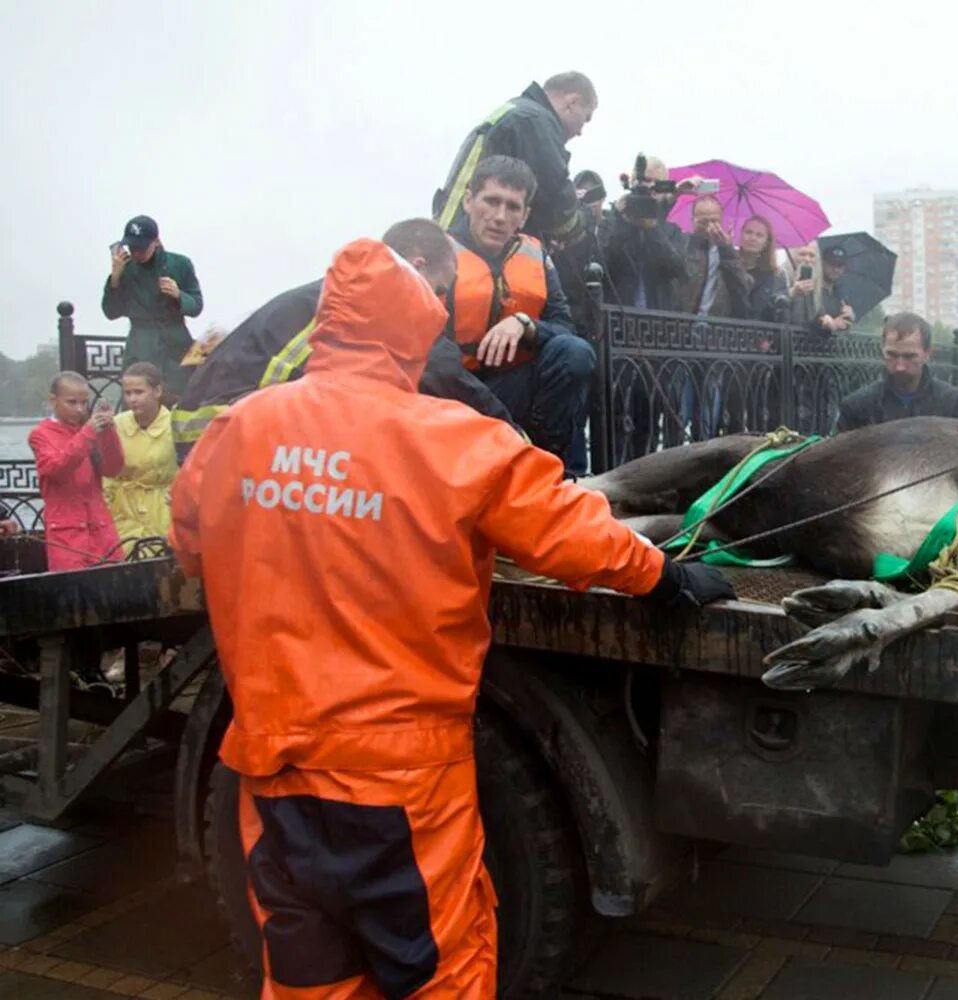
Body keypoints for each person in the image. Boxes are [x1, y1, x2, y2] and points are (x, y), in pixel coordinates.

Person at [169, 236, 732, 998]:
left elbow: (192, 543)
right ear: (413, 333)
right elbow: (572, 535)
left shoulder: (238, 430)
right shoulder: (453, 442)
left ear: (328, 325)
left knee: (310, 978)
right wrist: (664, 575)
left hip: (273, 769)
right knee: (442, 971)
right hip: (398, 782)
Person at [171, 219, 510, 459]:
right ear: (416, 267)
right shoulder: (368, 310)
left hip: (213, 444)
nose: (439, 307)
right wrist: (517, 444)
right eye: (438, 291)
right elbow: (451, 380)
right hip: (223, 446)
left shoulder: (330, 297)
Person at [450, 156, 595, 475]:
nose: (500, 217)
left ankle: (545, 468)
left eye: (513, 207)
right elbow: (428, 355)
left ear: (525, 214)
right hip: (454, 396)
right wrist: (497, 416)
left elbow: (565, 328)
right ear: (469, 200)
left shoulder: (535, 254)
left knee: (575, 353)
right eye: (491, 201)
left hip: (513, 386)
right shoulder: (440, 255)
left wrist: (525, 325)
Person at [433, 72, 597, 247]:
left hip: (457, 237)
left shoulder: (517, 111)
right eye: (585, 119)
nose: (580, 132)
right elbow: (555, 205)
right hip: (470, 248)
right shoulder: (534, 122)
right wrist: (582, 221)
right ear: (572, 103)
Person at [28, 372, 124, 571]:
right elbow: (57, 469)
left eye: (84, 402)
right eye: (72, 402)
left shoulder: (89, 429)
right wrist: (88, 434)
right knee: (72, 592)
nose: (79, 409)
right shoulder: (40, 434)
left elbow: (113, 469)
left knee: (115, 588)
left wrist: (109, 433)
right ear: (53, 400)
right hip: (66, 531)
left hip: (100, 526)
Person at [101, 215, 203, 397]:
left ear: (155, 241)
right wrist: (115, 278)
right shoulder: (125, 268)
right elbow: (111, 312)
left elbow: (196, 306)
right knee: (139, 400)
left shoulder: (180, 264)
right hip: (141, 342)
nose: (136, 253)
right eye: (132, 248)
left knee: (180, 397)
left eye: (141, 248)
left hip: (175, 340)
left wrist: (179, 295)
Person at [837, 312, 958, 432]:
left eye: (909, 356)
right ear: (882, 349)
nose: (900, 366)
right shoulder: (856, 408)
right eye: (892, 355)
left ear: (928, 353)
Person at [596, 155, 689, 310]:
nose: (649, 187)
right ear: (631, 183)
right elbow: (603, 264)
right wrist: (621, 221)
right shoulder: (609, 221)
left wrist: (652, 229)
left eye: (656, 183)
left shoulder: (672, 231)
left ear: (664, 189)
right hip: (616, 318)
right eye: (645, 180)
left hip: (658, 321)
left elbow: (678, 270)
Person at [103, 362, 178, 546]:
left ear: (157, 391)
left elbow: (188, 466)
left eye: (139, 392)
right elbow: (107, 472)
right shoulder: (117, 424)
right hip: (123, 509)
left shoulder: (175, 424)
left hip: (163, 508)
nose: (132, 399)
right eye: (128, 393)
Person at [677, 195, 753, 319]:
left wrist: (726, 250)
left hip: (716, 324)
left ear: (721, 220)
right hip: (683, 321)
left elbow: (744, 286)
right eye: (703, 222)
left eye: (714, 221)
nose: (709, 227)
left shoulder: (730, 252)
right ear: (693, 221)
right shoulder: (682, 244)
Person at [789, 243, 853, 334]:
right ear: (822, 263)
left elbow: (842, 325)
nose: (835, 269)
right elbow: (806, 317)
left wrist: (848, 318)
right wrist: (829, 323)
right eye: (832, 264)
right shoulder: (810, 286)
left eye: (839, 266)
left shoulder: (841, 295)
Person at [739, 215, 789, 322]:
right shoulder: (729, 265)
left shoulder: (776, 275)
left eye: (759, 235)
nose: (753, 238)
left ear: (766, 243)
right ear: (741, 235)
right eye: (748, 232)